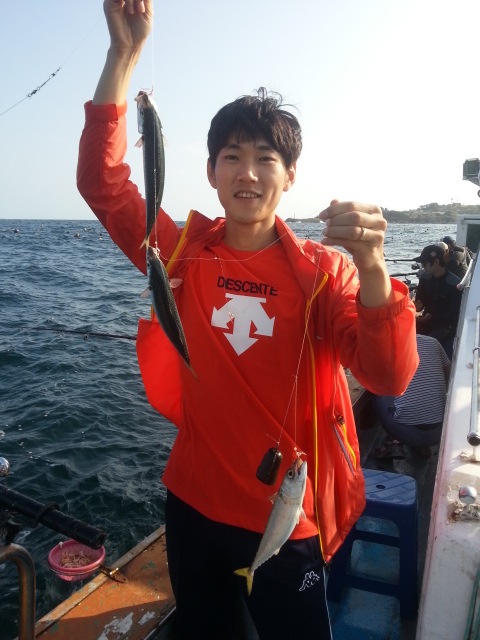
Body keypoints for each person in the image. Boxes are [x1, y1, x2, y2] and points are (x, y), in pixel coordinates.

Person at [77, 2, 418, 638]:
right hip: (191, 503)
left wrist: (373, 266)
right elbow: (103, 183)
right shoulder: (179, 252)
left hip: (286, 517)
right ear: (210, 171)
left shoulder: (324, 273)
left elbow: (388, 375)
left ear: (290, 176)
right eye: (232, 156)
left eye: (266, 158)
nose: (248, 173)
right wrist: (123, 54)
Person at [373, 334, 450, 459]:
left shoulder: (390, 345)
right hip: (440, 433)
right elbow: (448, 371)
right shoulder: (434, 342)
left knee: (375, 389)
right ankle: (422, 448)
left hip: (405, 434)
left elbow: (377, 377)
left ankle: (392, 443)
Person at [413, 244, 462, 357]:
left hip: (446, 325)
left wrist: (431, 317)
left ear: (436, 262)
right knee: (403, 331)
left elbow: (454, 314)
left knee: (430, 341)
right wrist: (417, 307)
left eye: (424, 263)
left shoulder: (454, 283)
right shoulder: (424, 278)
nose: (422, 267)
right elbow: (420, 303)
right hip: (426, 320)